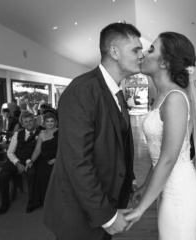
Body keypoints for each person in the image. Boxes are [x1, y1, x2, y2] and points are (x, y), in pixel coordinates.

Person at [42, 22, 143, 240]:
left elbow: (118, 143)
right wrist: (107, 217)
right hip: (79, 213)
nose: (141, 55)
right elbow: (77, 161)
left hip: (108, 200)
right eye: (136, 49)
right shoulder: (82, 91)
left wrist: (130, 180)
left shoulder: (116, 92)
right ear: (114, 52)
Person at [126, 32, 196, 240]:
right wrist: (146, 187)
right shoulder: (161, 97)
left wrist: (141, 209)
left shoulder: (175, 98)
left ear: (164, 62)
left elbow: (168, 159)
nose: (145, 53)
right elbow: (159, 156)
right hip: (167, 188)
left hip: (180, 195)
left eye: (151, 49)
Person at [0, 111, 41, 215]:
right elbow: (10, 152)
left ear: (34, 121)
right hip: (15, 159)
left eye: (31, 121)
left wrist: (29, 162)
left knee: (31, 174)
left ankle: (31, 201)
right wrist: (17, 163)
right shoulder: (17, 134)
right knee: (3, 175)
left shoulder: (41, 133)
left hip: (31, 161)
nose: (29, 123)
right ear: (22, 124)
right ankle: (5, 203)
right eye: (26, 122)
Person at [29, 111, 58, 211]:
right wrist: (31, 161)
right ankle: (45, 201)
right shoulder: (41, 134)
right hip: (44, 160)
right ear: (44, 123)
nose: (50, 123)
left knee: (54, 174)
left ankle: (56, 202)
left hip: (58, 159)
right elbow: (37, 150)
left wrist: (57, 159)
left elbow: (65, 149)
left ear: (55, 122)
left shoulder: (61, 132)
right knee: (41, 174)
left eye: (52, 121)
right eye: (47, 121)